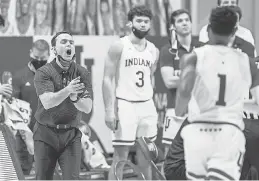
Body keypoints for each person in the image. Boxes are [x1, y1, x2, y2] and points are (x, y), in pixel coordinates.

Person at [175, 7, 259, 180]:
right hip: (229, 131)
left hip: (200, 131)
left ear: (209, 29)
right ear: (235, 31)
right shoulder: (248, 62)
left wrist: (180, 109)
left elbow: (183, 92)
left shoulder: (193, 57)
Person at [102, 5, 159, 180]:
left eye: (146, 21)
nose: (142, 24)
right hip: (125, 104)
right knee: (120, 157)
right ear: (130, 23)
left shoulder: (153, 50)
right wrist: (109, 110)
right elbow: (107, 79)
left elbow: (152, 78)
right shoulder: (119, 46)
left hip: (147, 105)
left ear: (150, 25)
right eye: (139, 21)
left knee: (147, 157)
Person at [33, 31, 93, 180]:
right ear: (54, 49)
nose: (68, 45)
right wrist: (68, 90)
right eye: (64, 42)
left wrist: (74, 99)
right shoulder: (44, 72)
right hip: (45, 134)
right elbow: (47, 102)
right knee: (43, 178)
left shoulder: (82, 72)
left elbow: (87, 107)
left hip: (71, 135)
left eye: (71, 42)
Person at [159, 9, 199, 151]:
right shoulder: (168, 50)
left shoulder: (201, 48)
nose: (184, 23)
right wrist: (197, 76)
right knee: (169, 156)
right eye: (180, 21)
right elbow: (169, 81)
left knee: (197, 154)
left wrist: (182, 78)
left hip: (198, 110)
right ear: (173, 27)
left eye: (187, 20)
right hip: (175, 111)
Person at [11, 39, 50, 175]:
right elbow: (13, 109)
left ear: (49, 56)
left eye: (42, 58)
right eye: (36, 57)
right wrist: (25, 135)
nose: (39, 60)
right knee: (24, 172)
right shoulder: (19, 77)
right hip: (24, 135)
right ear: (30, 53)